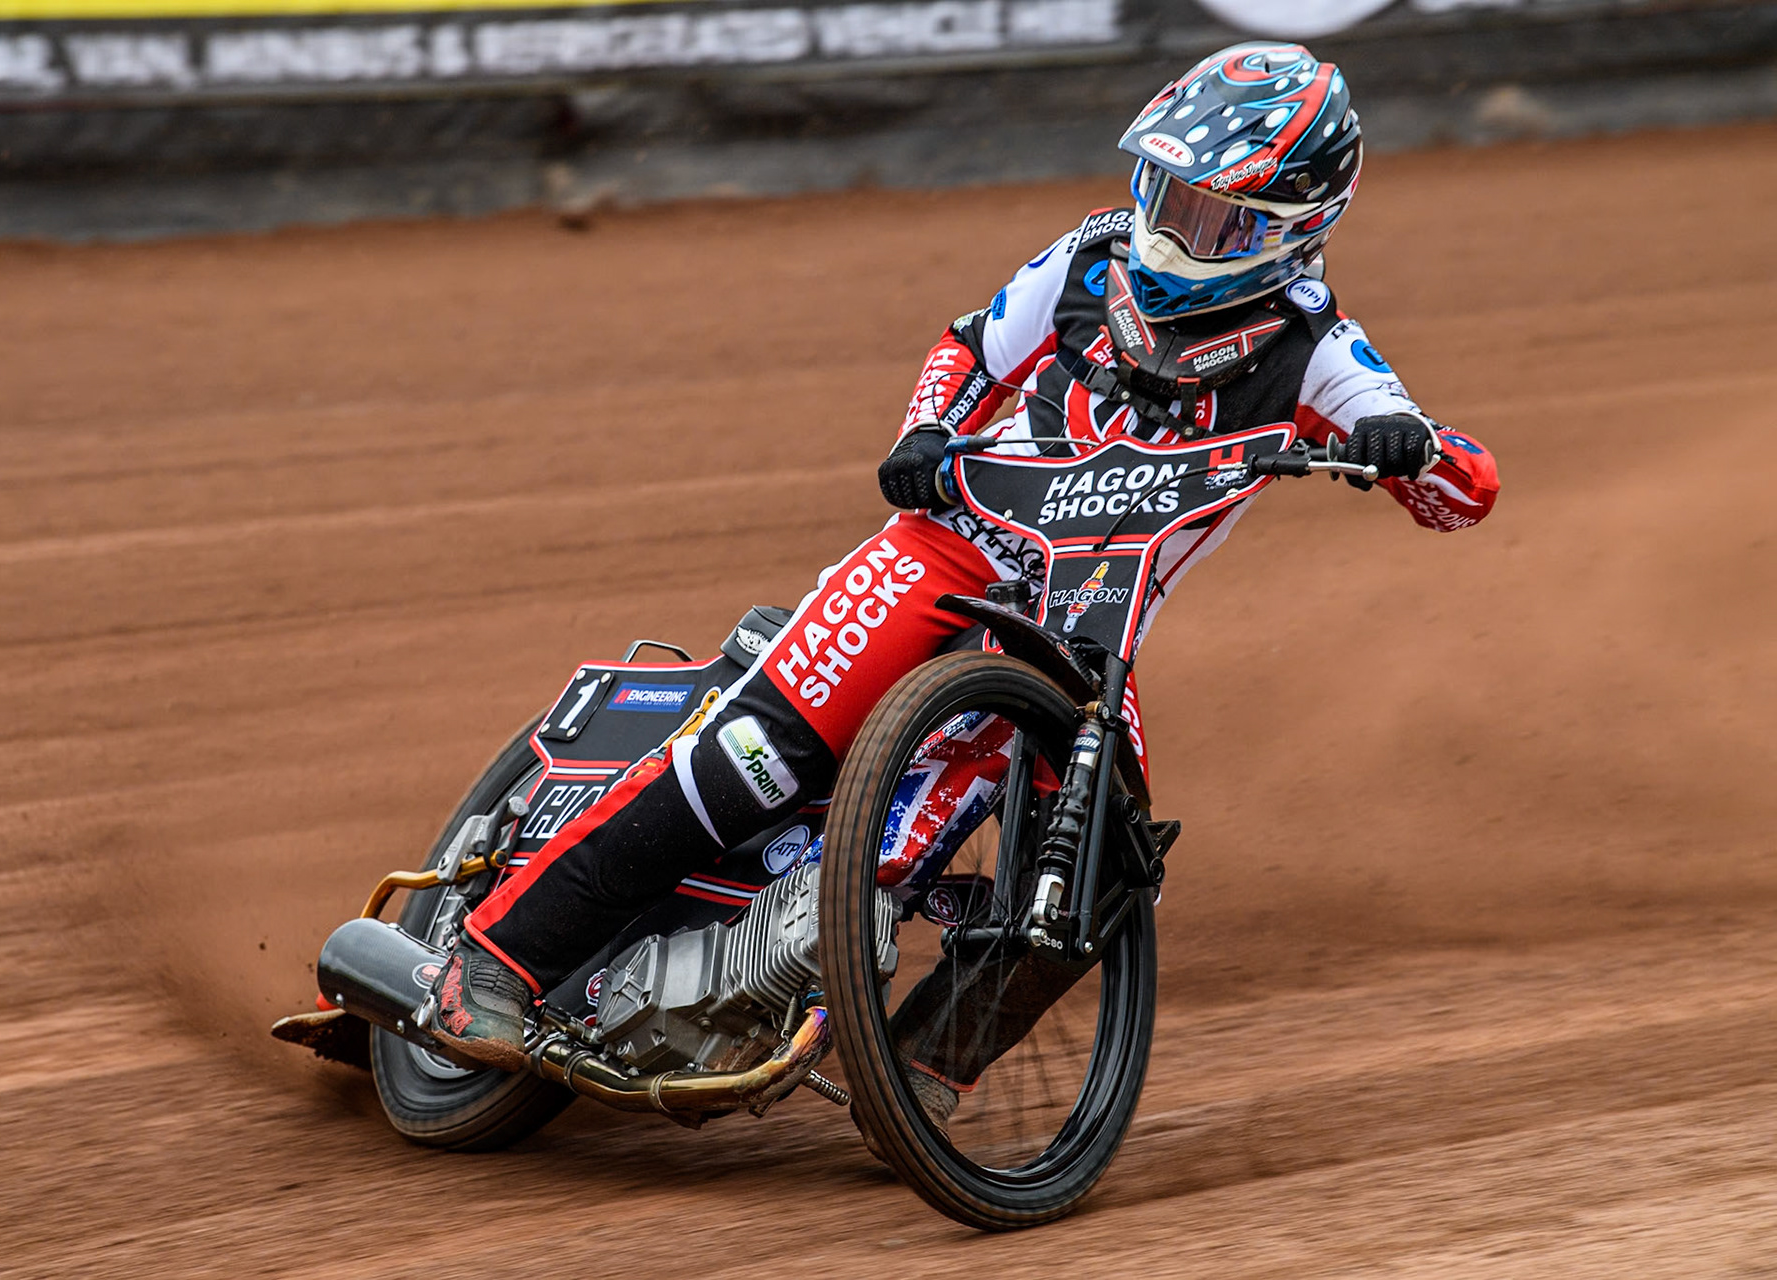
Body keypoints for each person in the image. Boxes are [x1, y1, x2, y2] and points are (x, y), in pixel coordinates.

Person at [424, 41, 1501, 1113]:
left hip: (1086, 622)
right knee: (756, 752)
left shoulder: (1318, 347)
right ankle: (493, 962)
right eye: (1164, 192)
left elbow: (1467, 487)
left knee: (1108, 856)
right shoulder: (1092, 258)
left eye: (1209, 216)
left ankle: (920, 1071)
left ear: (1293, 226)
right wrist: (926, 430)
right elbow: (972, 348)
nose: (1170, 228)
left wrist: (1413, 450)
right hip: (952, 546)